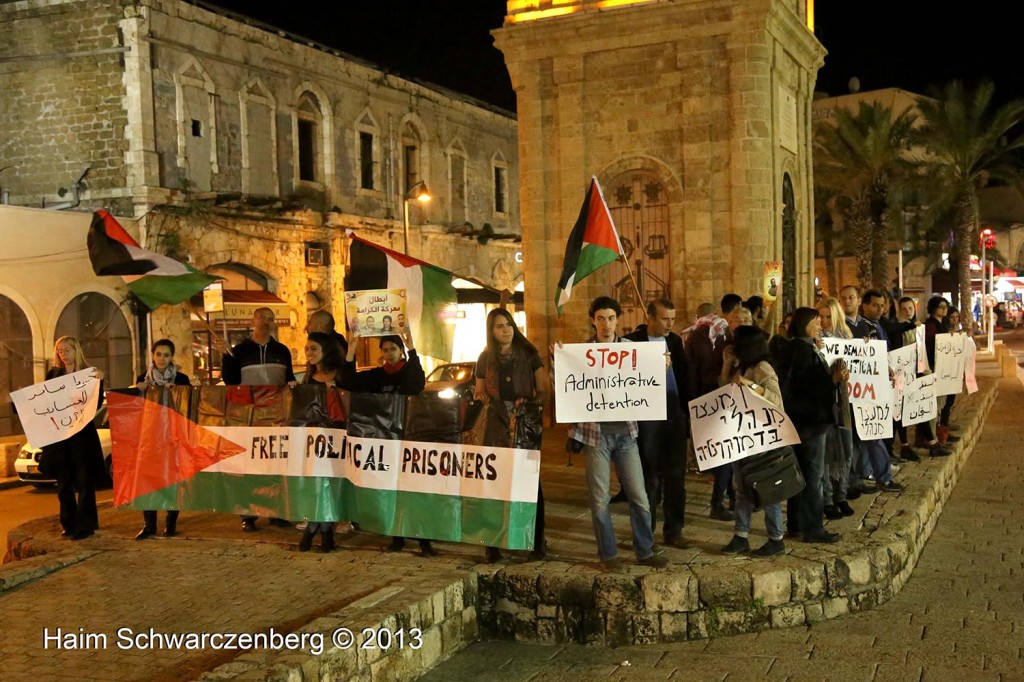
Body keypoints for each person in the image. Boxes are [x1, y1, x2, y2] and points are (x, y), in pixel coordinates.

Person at [569, 296, 669, 571]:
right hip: (595, 436)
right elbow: (567, 384)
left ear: (618, 320)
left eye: (611, 318)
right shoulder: (581, 353)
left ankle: (645, 550)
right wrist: (559, 360)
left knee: (639, 496)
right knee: (600, 499)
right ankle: (608, 555)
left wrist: (661, 367)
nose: (606, 324)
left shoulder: (631, 349)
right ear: (593, 320)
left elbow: (648, 382)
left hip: (627, 434)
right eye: (600, 318)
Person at [341, 328, 435, 556]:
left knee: (413, 490)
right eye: (385, 350)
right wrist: (351, 349)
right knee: (391, 489)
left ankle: (424, 540)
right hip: (385, 442)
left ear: (400, 351)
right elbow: (348, 381)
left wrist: (411, 347)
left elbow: (417, 382)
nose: (389, 353)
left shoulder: (408, 373)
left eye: (393, 349)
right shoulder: (375, 376)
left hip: (409, 439)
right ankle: (397, 536)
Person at [474, 308, 550, 562]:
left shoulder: (529, 354)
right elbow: (480, 391)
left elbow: (543, 390)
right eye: (499, 326)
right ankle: (493, 543)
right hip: (496, 425)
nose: (505, 329)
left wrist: (528, 404)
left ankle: (536, 541)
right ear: (491, 331)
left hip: (524, 425)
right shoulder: (485, 358)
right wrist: (483, 397)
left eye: (508, 324)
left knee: (529, 485)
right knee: (495, 484)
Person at [222, 307, 297, 532]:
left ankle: (278, 511)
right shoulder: (240, 351)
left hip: (276, 417)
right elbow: (230, 381)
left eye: (270, 318)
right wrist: (227, 358)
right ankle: (249, 514)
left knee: (276, 465)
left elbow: (289, 378)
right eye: (262, 318)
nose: (267, 322)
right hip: (250, 418)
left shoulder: (282, 350)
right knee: (250, 467)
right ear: (252, 320)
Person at [624, 297, 690, 549]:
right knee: (649, 477)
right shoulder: (632, 342)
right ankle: (646, 532)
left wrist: (686, 411)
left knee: (676, 478)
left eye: (672, 319)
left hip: (673, 417)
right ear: (649, 317)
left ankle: (674, 530)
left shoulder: (674, 341)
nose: (669, 324)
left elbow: (684, 375)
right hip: (648, 420)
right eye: (664, 318)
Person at [779, 308, 846, 543]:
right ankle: (813, 528)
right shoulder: (802, 349)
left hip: (799, 419)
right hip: (811, 421)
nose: (819, 325)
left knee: (800, 475)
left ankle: (796, 524)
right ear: (804, 324)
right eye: (815, 322)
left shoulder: (796, 347)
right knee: (813, 476)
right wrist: (834, 379)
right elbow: (811, 384)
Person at [719, 326, 787, 556]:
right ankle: (741, 536)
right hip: (742, 436)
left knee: (766, 489)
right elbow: (724, 388)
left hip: (762, 438)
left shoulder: (762, 368)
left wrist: (750, 385)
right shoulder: (744, 366)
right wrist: (727, 364)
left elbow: (776, 399)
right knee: (741, 489)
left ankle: (776, 538)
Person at [685, 293, 745, 521]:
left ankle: (728, 497)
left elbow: (691, 373)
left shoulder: (694, 336)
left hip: (710, 398)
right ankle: (719, 501)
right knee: (727, 453)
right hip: (719, 397)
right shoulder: (719, 337)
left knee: (728, 453)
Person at [42, 337, 105, 541]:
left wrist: (99, 381)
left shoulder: (89, 373)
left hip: (82, 435)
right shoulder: (53, 374)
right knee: (64, 482)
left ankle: (85, 524)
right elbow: (45, 400)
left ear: (76, 350)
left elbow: (95, 403)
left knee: (84, 480)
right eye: (60, 350)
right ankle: (68, 523)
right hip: (61, 437)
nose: (63, 354)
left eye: (67, 350)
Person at [135, 339, 191, 541]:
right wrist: (139, 390)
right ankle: (149, 525)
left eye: (166, 355)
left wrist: (177, 392)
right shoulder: (143, 378)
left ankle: (170, 522)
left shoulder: (182, 379)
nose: (162, 359)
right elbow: (136, 408)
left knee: (172, 480)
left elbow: (189, 406)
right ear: (153, 355)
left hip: (173, 437)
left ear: (172, 357)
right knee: (148, 480)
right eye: (158, 354)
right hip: (150, 437)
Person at [850, 290, 905, 492]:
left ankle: (868, 473)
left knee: (870, 435)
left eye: (882, 306)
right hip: (862, 388)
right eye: (875, 305)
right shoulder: (859, 327)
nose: (880, 309)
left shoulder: (876, 325)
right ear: (863, 305)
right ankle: (882, 476)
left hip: (874, 387)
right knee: (872, 434)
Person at [297, 332, 345, 552]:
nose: (309, 353)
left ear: (325, 351)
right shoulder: (306, 379)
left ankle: (315, 531)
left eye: (314, 348)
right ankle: (323, 533)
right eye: (307, 349)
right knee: (318, 486)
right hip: (313, 442)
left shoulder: (340, 376)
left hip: (336, 440)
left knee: (330, 485)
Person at [816, 297, 857, 516]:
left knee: (846, 450)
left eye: (828, 316)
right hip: (826, 404)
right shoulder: (815, 342)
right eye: (820, 317)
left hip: (846, 404)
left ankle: (842, 494)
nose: (824, 321)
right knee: (827, 455)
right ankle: (828, 499)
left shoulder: (848, 339)